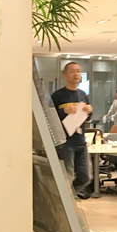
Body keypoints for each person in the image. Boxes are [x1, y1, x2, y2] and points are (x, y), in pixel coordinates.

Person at [51, 62, 93, 199]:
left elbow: (87, 118)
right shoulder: (58, 96)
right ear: (64, 75)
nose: (76, 74)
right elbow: (50, 117)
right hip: (65, 141)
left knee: (86, 176)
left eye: (78, 71)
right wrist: (64, 111)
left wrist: (89, 111)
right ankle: (66, 200)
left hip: (80, 140)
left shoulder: (83, 94)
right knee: (67, 176)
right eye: (72, 71)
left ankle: (69, 197)